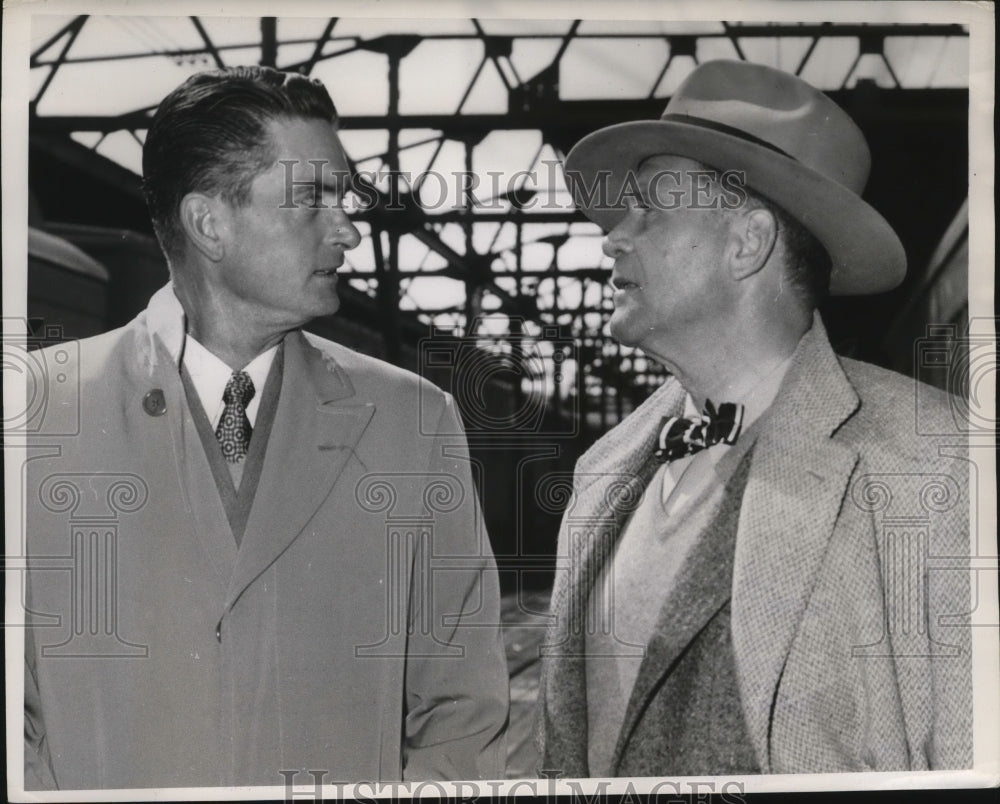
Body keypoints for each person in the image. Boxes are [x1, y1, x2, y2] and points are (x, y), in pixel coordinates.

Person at [23, 65, 508, 789]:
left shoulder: (415, 423)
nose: (347, 228)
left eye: (345, 198)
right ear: (210, 222)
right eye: (314, 199)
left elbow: (463, 712)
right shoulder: (35, 414)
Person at [537, 60, 972, 777]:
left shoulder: (938, 465)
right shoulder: (602, 472)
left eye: (649, 208)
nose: (613, 237)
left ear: (749, 242)